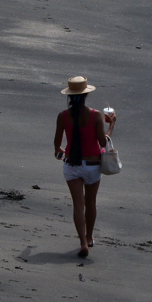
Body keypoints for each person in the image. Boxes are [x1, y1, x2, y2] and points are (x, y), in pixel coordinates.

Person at [53, 76, 116, 258]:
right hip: (92, 165)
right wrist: (111, 125)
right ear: (86, 94)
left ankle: (82, 243)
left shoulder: (63, 116)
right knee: (91, 203)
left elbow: (57, 143)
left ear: (70, 96)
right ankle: (89, 237)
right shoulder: (95, 115)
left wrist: (60, 150)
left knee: (78, 205)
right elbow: (103, 141)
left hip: (72, 164)